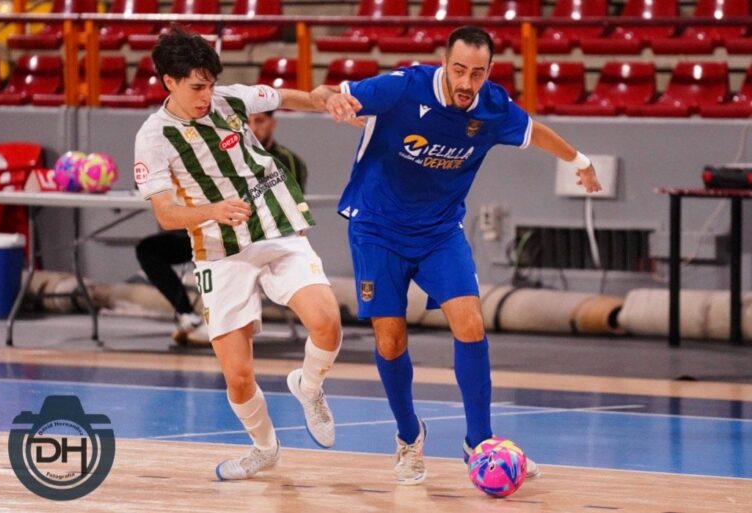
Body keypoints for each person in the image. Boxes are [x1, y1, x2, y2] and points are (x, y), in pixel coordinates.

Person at [311, 26, 602, 485]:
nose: (467, 82)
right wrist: (329, 98)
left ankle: (480, 444)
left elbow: (535, 132)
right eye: (460, 69)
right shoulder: (402, 88)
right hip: (377, 227)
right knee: (390, 339)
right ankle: (409, 437)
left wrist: (580, 161)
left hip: (439, 232)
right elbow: (328, 92)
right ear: (444, 63)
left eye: (478, 72)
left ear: (489, 72)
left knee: (470, 323)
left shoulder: (492, 107)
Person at [134, 26, 355, 480]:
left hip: (276, 228)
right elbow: (165, 214)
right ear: (168, 82)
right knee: (237, 375)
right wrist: (213, 210)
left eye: (210, 83)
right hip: (219, 251)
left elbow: (284, 97)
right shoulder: (153, 136)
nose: (206, 94)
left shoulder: (229, 99)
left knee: (328, 323)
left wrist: (320, 98)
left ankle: (308, 387)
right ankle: (263, 448)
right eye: (196, 86)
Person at [135, 110, 309, 346]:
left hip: (258, 238)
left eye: (260, 121)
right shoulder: (222, 153)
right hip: (212, 231)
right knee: (149, 249)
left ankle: (227, 320)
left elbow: (290, 207)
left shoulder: (285, 159)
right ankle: (189, 315)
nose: (253, 128)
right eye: (248, 121)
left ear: (273, 123)